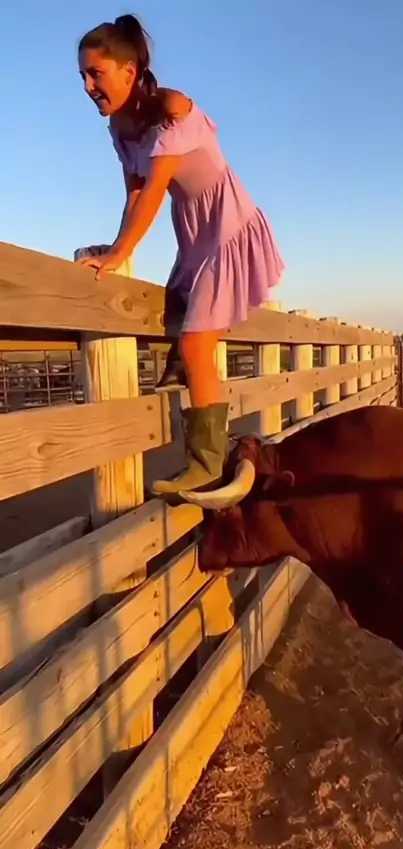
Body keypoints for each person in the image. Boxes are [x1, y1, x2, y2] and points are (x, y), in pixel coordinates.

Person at [77, 14, 284, 494]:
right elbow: (133, 194)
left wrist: (120, 253)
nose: (88, 86)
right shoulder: (119, 127)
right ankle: (185, 377)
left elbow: (154, 191)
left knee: (195, 345)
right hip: (194, 229)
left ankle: (208, 463)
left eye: (96, 74)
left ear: (129, 71)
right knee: (179, 316)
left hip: (227, 224)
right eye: (83, 76)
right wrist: (116, 243)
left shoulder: (170, 107)